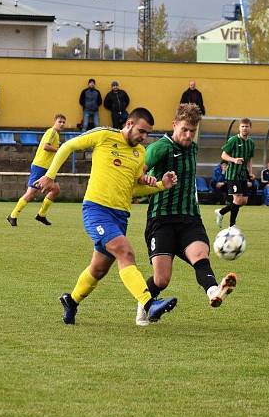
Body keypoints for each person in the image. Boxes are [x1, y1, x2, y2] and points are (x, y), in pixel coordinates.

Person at [35, 108, 179, 326]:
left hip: (120, 217)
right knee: (125, 252)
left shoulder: (139, 153)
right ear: (129, 123)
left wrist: (159, 185)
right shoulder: (104, 135)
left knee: (99, 269)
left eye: (147, 133)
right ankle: (150, 304)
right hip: (96, 211)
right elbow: (67, 146)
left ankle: (71, 301)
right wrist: (49, 175)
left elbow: (133, 190)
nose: (144, 137)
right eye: (141, 131)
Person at [138, 103, 236, 326]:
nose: (189, 135)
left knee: (200, 256)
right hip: (161, 219)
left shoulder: (192, 147)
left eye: (193, 130)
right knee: (162, 280)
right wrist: (147, 179)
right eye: (184, 130)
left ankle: (214, 292)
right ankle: (144, 304)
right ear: (174, 125)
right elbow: (137, 173)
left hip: (189, 218)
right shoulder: (160, 148)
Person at [7, 114, 66, 227]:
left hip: (48, 168)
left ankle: (41, 215)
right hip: (40, 166)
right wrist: (59, 149)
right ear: (54, 122)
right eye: (60, 121)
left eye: (64, 122)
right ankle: (13, 215)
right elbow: (46, 147)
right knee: (31, 194)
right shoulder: (52, 132)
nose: (62, 124)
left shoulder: (56, 134)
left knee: (56, 190)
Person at [215, 118, 254, 228]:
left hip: (243, 174)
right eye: (242, 126)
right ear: (239, 128)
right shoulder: (233, 140)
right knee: (237, 199)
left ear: (250, 128)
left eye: (246, 126)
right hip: (232, 174)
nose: (244, 128)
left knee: (244, 201)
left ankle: (221, 212)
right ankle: (232, 225)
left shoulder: (251, 142)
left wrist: (250, 172)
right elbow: (223, 155)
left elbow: (250, 159)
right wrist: (234, 160)